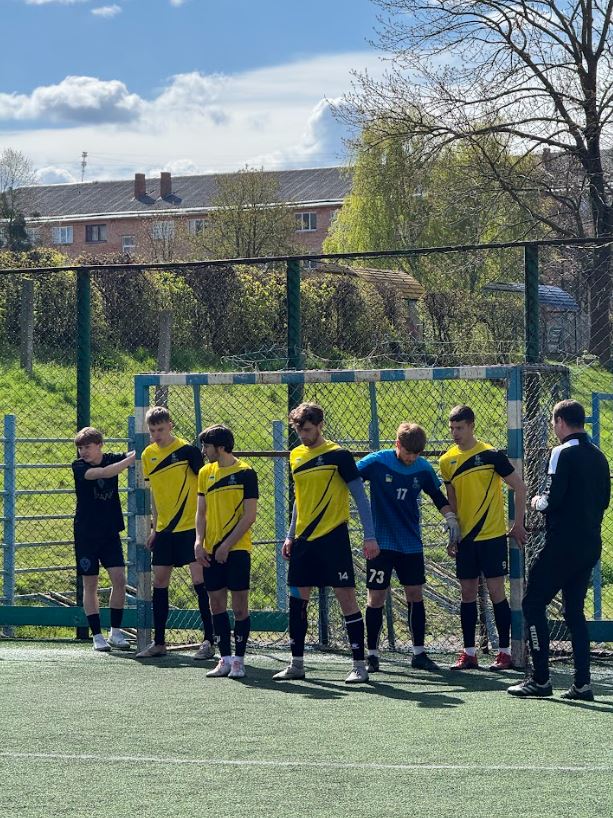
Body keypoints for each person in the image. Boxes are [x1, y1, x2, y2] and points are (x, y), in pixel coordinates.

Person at [508, 400, 610, 700]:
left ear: (561, 422)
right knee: (574, 611)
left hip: (563, 543)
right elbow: (604, 500)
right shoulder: (599, 455)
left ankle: (540, 679)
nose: (554, 429)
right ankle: (582, 684)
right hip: (590, 543)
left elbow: (552, 499)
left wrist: (536, 502)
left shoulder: (561, 452)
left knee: (533, 603)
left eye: (554, 424)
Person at [273, 403, 380, 684]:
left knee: (347, 598)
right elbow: (299, 499)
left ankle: (359, 665)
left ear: (320, 426)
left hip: (333, 537)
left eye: (308, 430)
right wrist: (290, 535)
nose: (303, 435)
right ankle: (297, 664)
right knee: (297, 600)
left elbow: (360, 496)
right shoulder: (296, 455)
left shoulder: (338, 455)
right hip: (304, 541)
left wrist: (369, 535)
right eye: (299, 431)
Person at [357, 422, 460, 673]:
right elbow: (350, 479)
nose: (411, 458)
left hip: (410, 543)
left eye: (416, 454)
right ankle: (372, 655)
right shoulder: (377, 462)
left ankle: (419, 653)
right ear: (397, 444)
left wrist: (451, 518)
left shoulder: (422, 468)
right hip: (381, 543)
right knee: (376, 597)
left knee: (415, 594)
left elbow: (437, 496)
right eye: (407, 452)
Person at [439, 405, 527, 670]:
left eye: (460, 428)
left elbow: (519, 486)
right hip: (466, 539)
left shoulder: (491, 455)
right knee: (467, 593)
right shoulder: (446, 460)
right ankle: (469, 653)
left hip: (492, 536)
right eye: (452, 428)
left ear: (471, 426)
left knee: (497, 591)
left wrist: (518, 524)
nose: (455, 433)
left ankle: (505, 652)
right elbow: (452, 500)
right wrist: (453, 534)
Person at [135, 406, 215, 659]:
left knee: (200, 582)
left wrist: (205, 525)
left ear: (170, 425)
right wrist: (155, 527)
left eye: (160, 429)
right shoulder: (148, 455)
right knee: (159, 582)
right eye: (152, 430)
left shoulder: (188, 452)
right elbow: (155, 494)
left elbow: (204, 489)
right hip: (165, 531)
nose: (156, 435)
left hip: (190, 527)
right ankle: (159, 642)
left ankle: (209, 640)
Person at [194, 425, 258, 679]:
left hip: (237, 549)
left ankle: (239, 661)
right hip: (211, 551)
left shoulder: (246, 473)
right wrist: (199, 542)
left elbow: (249, 516)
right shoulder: (205, 472)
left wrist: (227, 545)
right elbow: (201, 512)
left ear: (220, 447)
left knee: (240, 607)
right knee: (216, 605)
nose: (204, 451)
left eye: (207, 446)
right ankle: (225, 659)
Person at [72, 427, 135, 651]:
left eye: (87, 447)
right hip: (86, 534)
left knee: (119, 579)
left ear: (99, 445)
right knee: (90, 583)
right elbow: (104, 473)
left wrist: (142, 450)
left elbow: (130, 454)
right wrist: (131, 460)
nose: (83, 452)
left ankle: (115, 632)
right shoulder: (79, 466)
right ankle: (97, 635)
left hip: (109, 533)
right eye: (80, 448)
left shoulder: (110, 458)